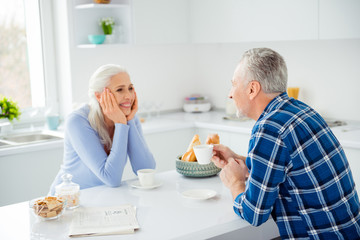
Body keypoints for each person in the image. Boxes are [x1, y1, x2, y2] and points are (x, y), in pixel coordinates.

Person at [212, 48, 360, 239]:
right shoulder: (300, 110)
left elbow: (254, 213)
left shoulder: (269, 128)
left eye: (233, 85)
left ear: (252, 89)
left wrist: (235, 182)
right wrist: (240, 160)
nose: (230, 94)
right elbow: (288, 169)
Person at [50, 64, 156, 193]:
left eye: (130, 88)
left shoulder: (129, 118)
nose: (128, 96)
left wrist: (129, 121)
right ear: (99, 96)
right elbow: (111, 179)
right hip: (69, 200)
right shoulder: (77, 121)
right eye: (120, 90)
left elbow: (146, 169)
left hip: (101, 198)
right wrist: (121, 125)